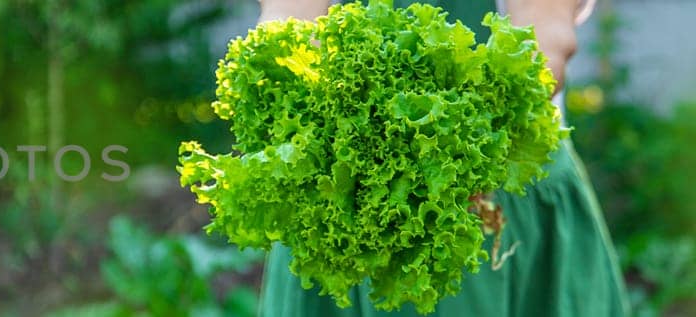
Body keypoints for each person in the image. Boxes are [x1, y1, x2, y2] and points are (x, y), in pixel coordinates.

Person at [254, 0, 628, 316]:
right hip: (341, 202)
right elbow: (290, 28)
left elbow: (539, 51)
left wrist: (459, 159)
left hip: (502, 188)